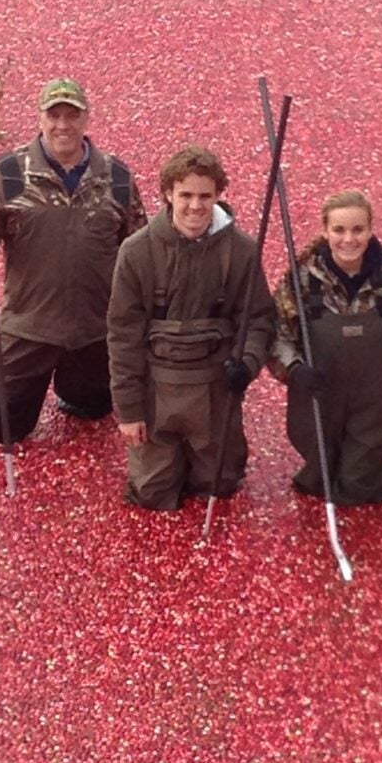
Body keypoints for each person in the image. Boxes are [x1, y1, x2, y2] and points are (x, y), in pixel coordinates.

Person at [0, 80, 144, 446]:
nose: (63, 125)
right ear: (40, 119)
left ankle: (73, 388)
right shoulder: (7, 174)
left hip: (95, 327)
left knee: (94, 406)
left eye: (72, 115)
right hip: (30, 326)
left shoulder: (118, 178)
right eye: (53, 115)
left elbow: (137, 248)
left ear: (86, 119)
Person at [106, 146, 276, 512]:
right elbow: (123, 336)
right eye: (185, 195)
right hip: (156, 392)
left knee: (219, 485)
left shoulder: (242, 251)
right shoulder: (136, 252)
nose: (195, 206)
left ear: (218, 195)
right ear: (168, 193)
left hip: (215, 389)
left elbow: (259, 319)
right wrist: (129, 411)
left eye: (205, 196)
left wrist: (246, 363)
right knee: (151, 492)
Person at [271, 191, 382, 506]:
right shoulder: (302, 278)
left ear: (370, 230)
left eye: (358, 230)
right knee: (319, 482)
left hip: (372, 395)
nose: (348, 239)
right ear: (325, 230)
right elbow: (277, 333)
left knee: (362, 488)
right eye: (339, 230)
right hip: (318, 392)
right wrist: (294, 369)